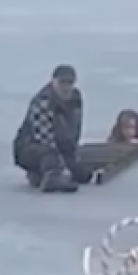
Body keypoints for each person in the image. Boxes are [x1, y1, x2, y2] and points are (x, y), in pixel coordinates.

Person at [12, 64, 87, 193]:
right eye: (62, 82)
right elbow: (45, 139)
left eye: (70, 82)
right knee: (48, 154)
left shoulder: (75, 98)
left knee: (82, 175)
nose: (66, 87)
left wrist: (73, 158)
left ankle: (40, 174)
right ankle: (50, 177)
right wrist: (62, 166)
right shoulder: (43, 102)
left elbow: (76, 127)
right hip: (31, 147)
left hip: (61, 143)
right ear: (53, 81)